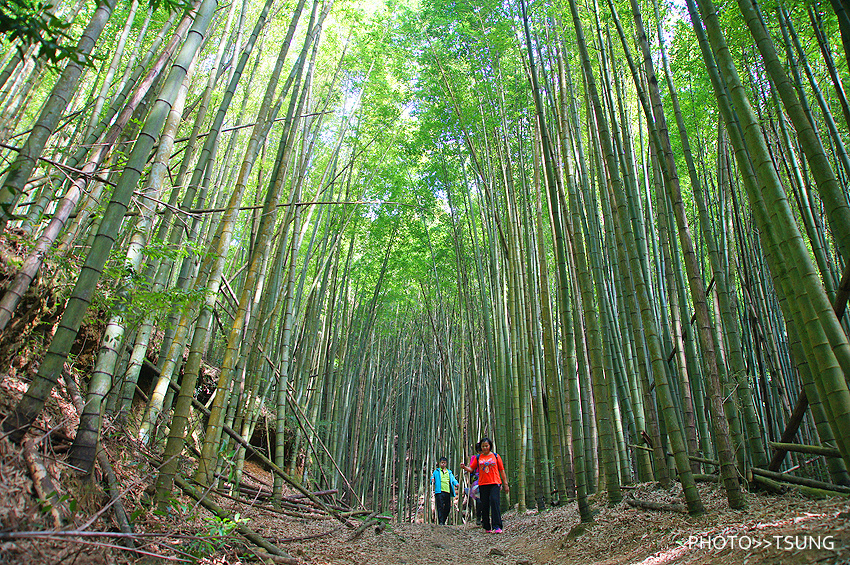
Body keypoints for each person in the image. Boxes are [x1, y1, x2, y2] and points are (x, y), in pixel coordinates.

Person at [460, 437, 509, 533]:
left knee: (495, 502)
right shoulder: (479, 457)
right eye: (483, 446)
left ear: (490, 446)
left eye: (486, 446)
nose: (485, 448)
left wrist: (505, 483)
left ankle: (497, 526)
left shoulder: (496, 456)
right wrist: (464, 467)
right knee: (485, 505)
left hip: (495, 483)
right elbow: (471, 469)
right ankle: (487, 526)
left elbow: (502, 470)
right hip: (483, 484)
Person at [432, 456, 458, 525]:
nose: (443, 464)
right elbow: (432, 478)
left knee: (448, 506)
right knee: (440, 506)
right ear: (440, 463)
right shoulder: (436, 471)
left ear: (446, 464)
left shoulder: (449, 472)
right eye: (442, 463)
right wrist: (432, 480)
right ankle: (441, 522)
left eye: (444, 463)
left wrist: (457, 484)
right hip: (439, 491)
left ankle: (443, 520)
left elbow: (453, 479)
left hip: (447, 491)